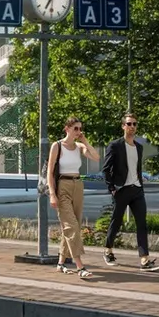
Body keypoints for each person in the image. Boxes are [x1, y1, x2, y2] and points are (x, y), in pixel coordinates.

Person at [102, 112, 159, 270]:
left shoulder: (139, 147)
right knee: (117, 221)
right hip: (122, 190)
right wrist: (112, 188)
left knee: (142, 224)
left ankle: (144, 259)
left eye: (134, 124)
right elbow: (106, 169)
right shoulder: (115, 145)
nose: (132, 127)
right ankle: (108, 250)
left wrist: (140, 182)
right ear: (123, 126)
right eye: (129, 124)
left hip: (137, 190)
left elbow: (137, 168)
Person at [48, 116, 99, 279]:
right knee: (71, 227)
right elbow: (49, 172)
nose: (78, 131)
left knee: (71, 226)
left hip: (78, 185)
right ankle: (80, 266)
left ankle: (61, 263)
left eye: (80, 128)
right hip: (63, 185)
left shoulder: (79, 146)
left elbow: (96, 157)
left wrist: (85, 140)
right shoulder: (57, 146)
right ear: (67, 129)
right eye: (75, 128)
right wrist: (52, 194)